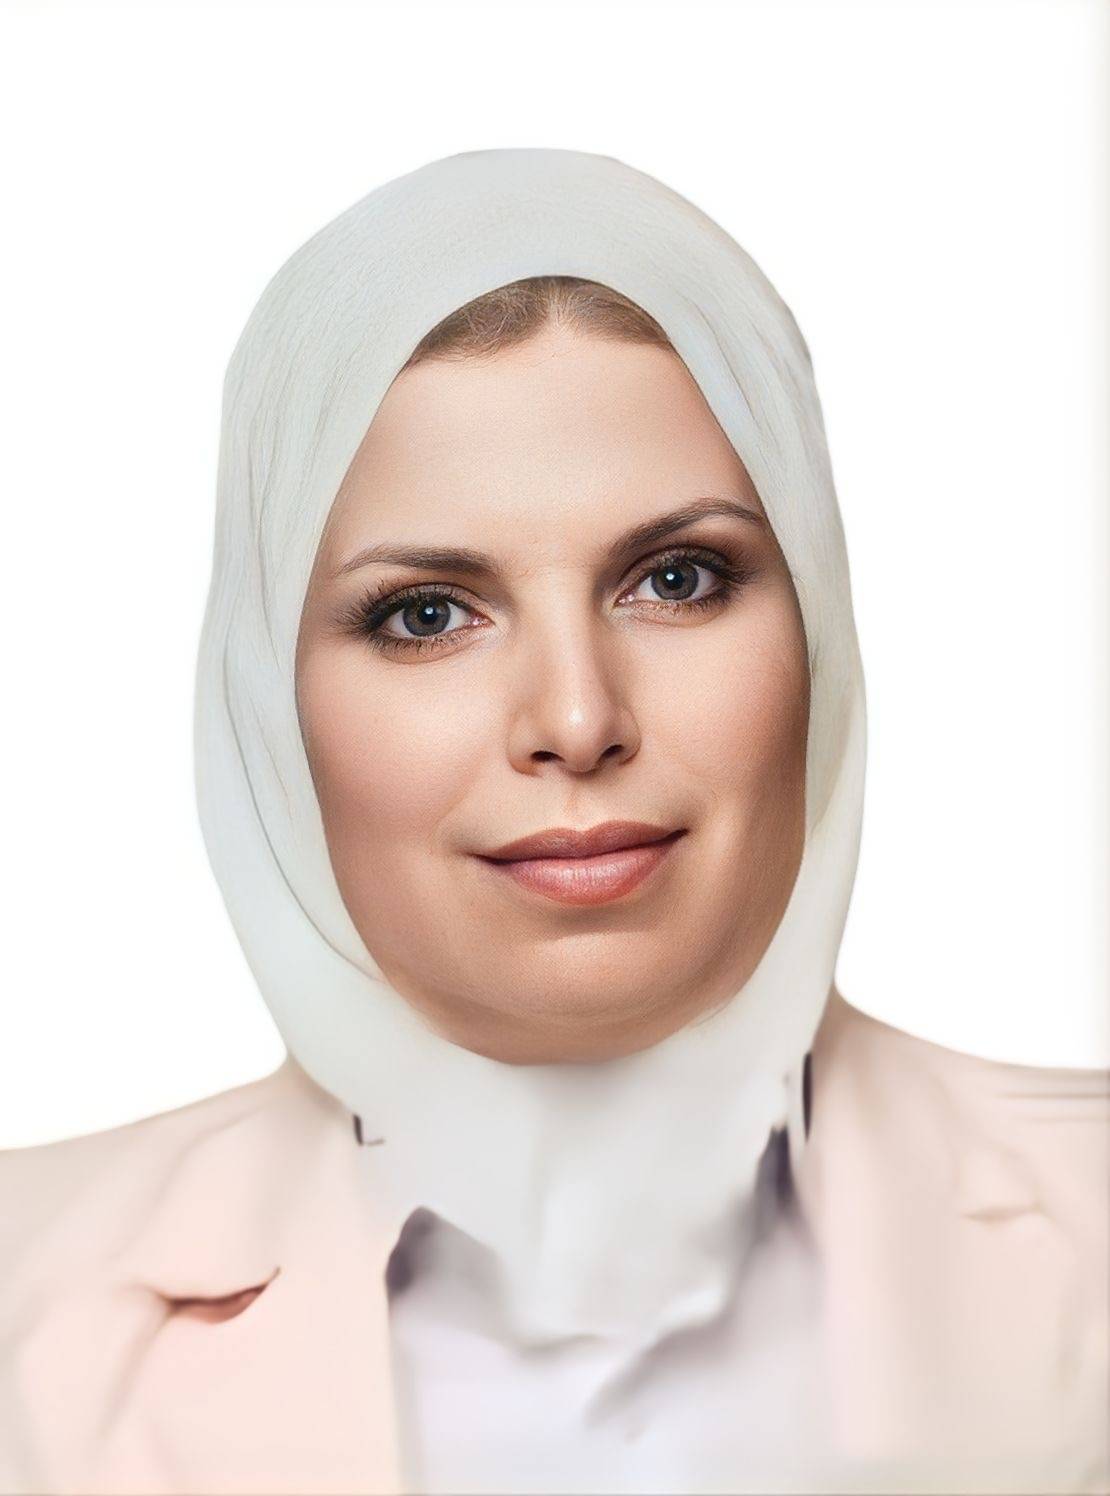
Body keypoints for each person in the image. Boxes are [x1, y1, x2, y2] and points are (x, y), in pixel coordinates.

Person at [0, 148, 1105, 1496]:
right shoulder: (23, 1308)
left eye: (678, 579)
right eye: (425, 614)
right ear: (267, 691)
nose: (577, 721)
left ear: (817, 618)